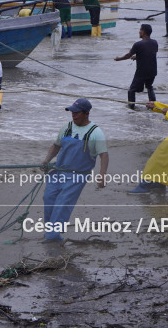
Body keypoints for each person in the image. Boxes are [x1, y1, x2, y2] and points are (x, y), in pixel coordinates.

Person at [40, 98, 108, 243]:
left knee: (63, 203)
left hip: (78, 176)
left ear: (86, 113)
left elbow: (104, 155)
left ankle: (52, 236)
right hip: (58, 172)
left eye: (76, 113)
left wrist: (102, 175)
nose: (73, 115)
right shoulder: (67, 127)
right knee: (49, 199)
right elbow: (56, 146)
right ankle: (51, 231)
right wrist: (47, 160)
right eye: (72, 112)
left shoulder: (95, 133)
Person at [114, 24, 158, 108]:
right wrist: (137, 57)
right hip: (153, 71)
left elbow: (128, 55)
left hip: (142, 72)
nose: (139, 31)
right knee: (149, 87)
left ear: (144, 32)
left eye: (140, 30)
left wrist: (118, 58)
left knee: (131, 90)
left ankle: (131, 108)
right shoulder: (155, 42)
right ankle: (153, 107)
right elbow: (148, 53)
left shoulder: (138, 44)